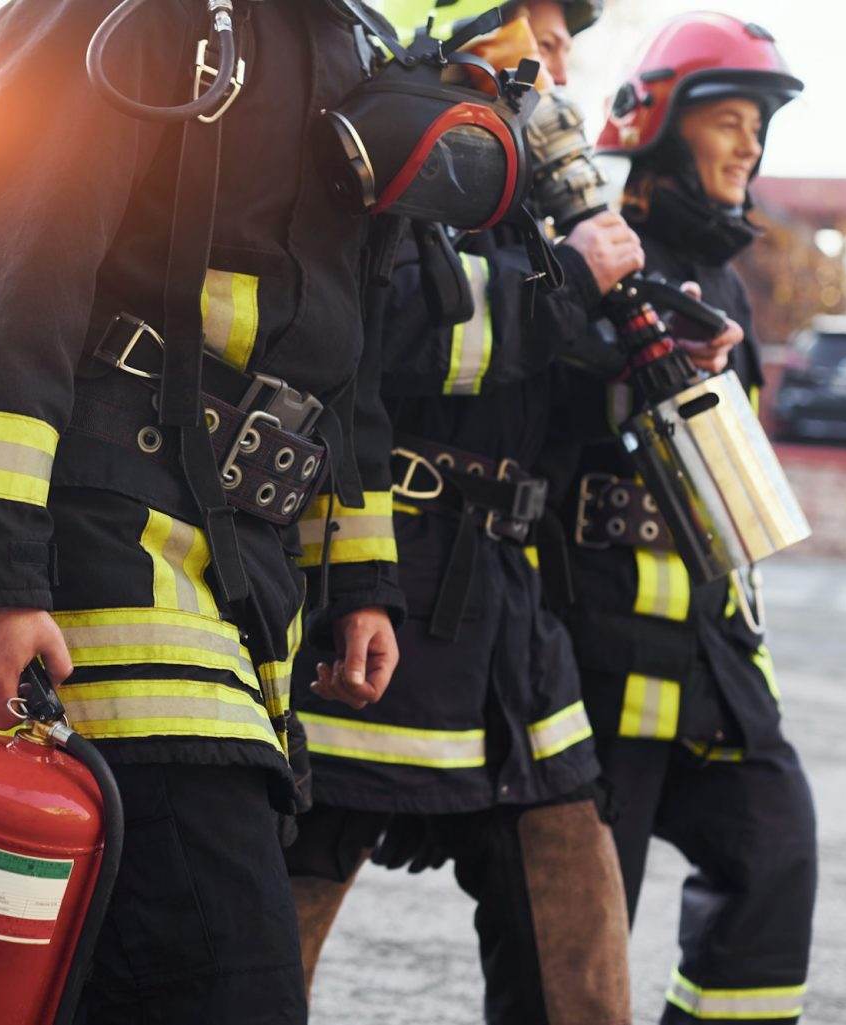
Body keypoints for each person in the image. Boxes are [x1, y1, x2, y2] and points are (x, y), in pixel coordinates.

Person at [0, 1, 409, 1020]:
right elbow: (0, 277)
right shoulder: (123, 14)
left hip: (248, 583)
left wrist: (357, 576)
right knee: (230, 984)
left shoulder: (343, 41)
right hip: (111, 557)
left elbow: (341, 359)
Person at [282, 4, 641, 1022]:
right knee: (267, 935)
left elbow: (537, 394)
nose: (564, 49)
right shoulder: (403, 132)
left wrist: (634, 349)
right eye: (546, 19)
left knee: (576, 915)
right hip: (379, 577)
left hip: (507, 615)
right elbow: (385, 331)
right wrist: (572, 285)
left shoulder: (532, 187)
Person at [545, 13, 818, 1024]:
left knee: (776, 857)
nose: (752, 143)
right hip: (599, 663)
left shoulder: (728, 284)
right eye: (733, 119)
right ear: (657, 122)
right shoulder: (599, 257)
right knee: (574, 950)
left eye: (760, 123)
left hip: (713, 663)